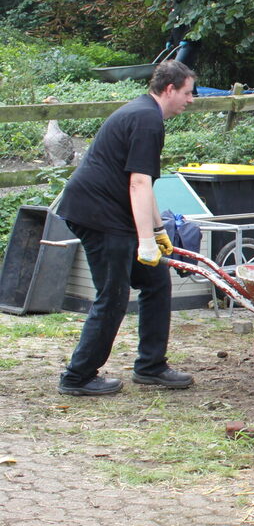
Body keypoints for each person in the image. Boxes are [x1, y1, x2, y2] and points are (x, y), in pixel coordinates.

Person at [55, 60, 197, 396]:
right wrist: (145, 240)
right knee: (114, 295)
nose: (191, 100)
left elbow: (144, 183)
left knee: (156, 281)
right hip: (97, 214)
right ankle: (77, 377)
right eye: (188, 93)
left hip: (111, 213)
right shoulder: (147, 120)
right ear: (170, 89)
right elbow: (137, 182)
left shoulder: (146, 114)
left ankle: (151, 367)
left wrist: (158, 230)